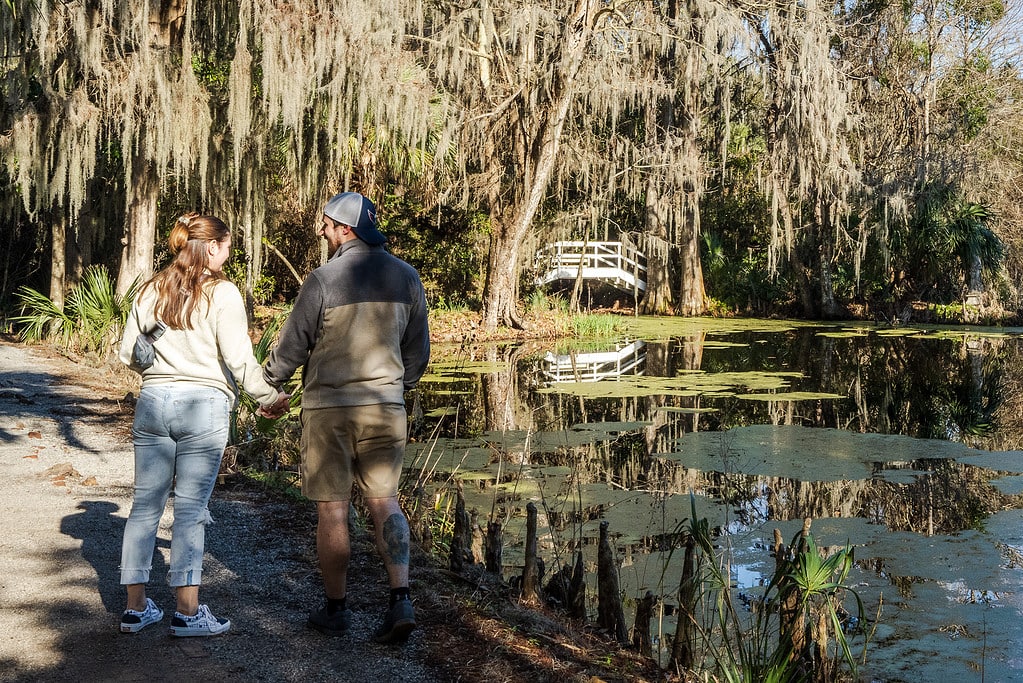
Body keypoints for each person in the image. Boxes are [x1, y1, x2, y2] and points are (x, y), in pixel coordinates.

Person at [263, 191, 430, 644]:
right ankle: (401, 598)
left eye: (327, 224)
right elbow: (418, 354)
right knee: (386, 501)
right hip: (385, 408)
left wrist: (269, 381)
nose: (322, 230)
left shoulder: (323, 279)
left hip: (329, 411)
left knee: (333, 508)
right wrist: (398, 387)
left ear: (346, 229)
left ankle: (336, 609)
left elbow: (293, 345)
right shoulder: (409, 277)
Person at [117, 213, 289, 636]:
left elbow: (127, 353)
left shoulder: (153, 288)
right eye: (227, 246)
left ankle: (136, 610)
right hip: (205, 406)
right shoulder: (224, 293)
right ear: (211, 247)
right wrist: (269, 398)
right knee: (191, 511)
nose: (229, 254)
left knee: (144, 507)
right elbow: (238, 360)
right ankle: (188, 614)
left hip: (154, 402)